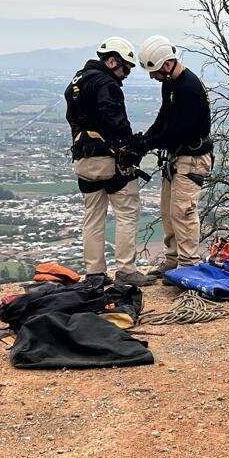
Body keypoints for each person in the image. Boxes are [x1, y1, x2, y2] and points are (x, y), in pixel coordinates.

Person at [63, 37, 152, 287]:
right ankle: (125, 269)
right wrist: (130, 145)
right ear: (112, 60)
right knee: (126, 211)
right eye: (124, 68)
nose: (125, 74)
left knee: (93, 216)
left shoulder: (76, 82)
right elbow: (115, 119)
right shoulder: (106, 84)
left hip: (83, 159)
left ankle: (95, 273)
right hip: (107, 159)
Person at [138, 35, 213, 277]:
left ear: (167, 64)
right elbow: (164, 117)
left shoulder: (189, 88)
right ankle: (173, 259)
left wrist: (147, 143)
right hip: (177, 156)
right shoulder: (170, 84)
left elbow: (178, 131)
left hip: (192, 157)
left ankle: (188, 264)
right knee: (168, 211)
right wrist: (145, 139)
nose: (153, 76)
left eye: (155, 71)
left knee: (183, 211)